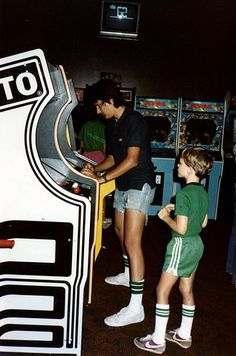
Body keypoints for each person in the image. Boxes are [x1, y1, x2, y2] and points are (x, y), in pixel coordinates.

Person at [81, 79, 156, 327]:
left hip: (139, 184)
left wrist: (102, 178)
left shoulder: (134, 120)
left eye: (100, 105)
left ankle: (136, 307)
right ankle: (127, 274)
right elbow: (113, 157)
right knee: (119, 231)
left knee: (133, 242)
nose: (98, 111)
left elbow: (133, 159)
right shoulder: (112, 127)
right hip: (122, 184)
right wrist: (93, 170)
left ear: (111, 100)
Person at [134, 146, 214, 354]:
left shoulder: (184, 194)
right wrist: (176, 208)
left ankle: (158, 340)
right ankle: (184, 334)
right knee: (186, 289)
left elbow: (181, 228)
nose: (177, 165)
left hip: (181, 244)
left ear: (189, 168)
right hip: (196, 245)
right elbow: (203, 223)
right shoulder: (202, 192)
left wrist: (165, 217)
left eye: (181, 162)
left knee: (162, 291)